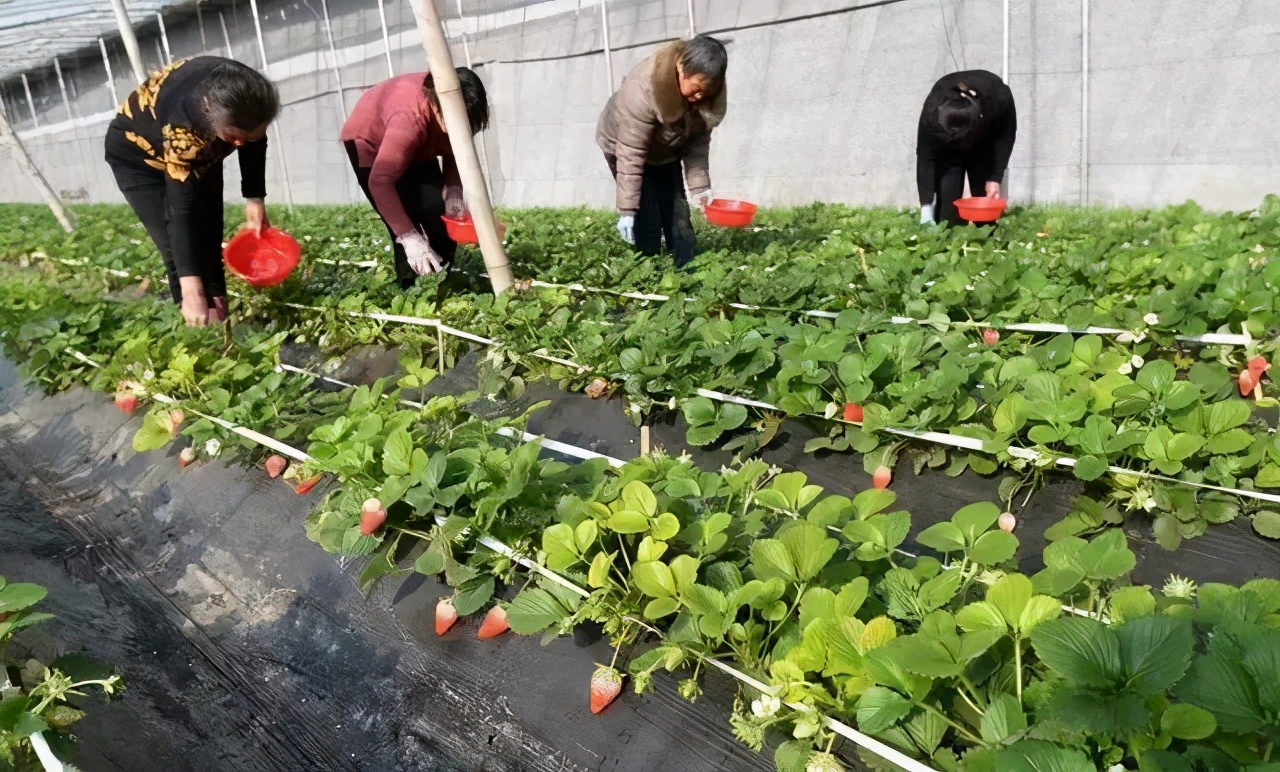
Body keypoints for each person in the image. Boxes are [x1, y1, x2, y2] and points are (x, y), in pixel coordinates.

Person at [104, 56, 278, 327]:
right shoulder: (186, 127)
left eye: (247, 136)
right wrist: (192, 290)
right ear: (213, 119)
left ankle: (220, 317)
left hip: (195, 147)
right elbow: (180, 211)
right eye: (233, 138)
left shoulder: (248, 93)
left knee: (208, 234)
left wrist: (255, 200)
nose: (239, 145)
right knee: (177, 247)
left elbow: (253, 140)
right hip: (139, 159)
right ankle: (197, 323)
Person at [341, 68, 489, 289]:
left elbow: (454, 148)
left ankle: (441, 279)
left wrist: (454, 190)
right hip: (372, 136)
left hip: (414, 132)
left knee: (436, 210)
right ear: (438, 107)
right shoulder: (409, 119)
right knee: (401, 219)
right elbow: (380, 182)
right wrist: (409, 236)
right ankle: (410, 287)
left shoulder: (450, 109)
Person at [596, 35, 728, 268]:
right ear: (680, 68)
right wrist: (627, 210)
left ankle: (686, 264)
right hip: (625, 144)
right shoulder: (642, 90)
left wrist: (700, 186)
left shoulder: (707, 95)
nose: (700, 98)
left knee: (677, 209)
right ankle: (647, 268)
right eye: (696, 90)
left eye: (706, 93)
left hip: (666, 146)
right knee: (646, 215)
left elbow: (697, 143)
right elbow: (631, 152)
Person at [916, 69, 1017, 226]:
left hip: (983, 143)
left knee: (985, 210)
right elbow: (925, 157)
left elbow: (1005, 138)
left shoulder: (997, 98)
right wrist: (926, 207)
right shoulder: (931, 114)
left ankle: (985, 240)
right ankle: (948, 239)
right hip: (948, 150)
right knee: (947, 214)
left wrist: (995, 177)